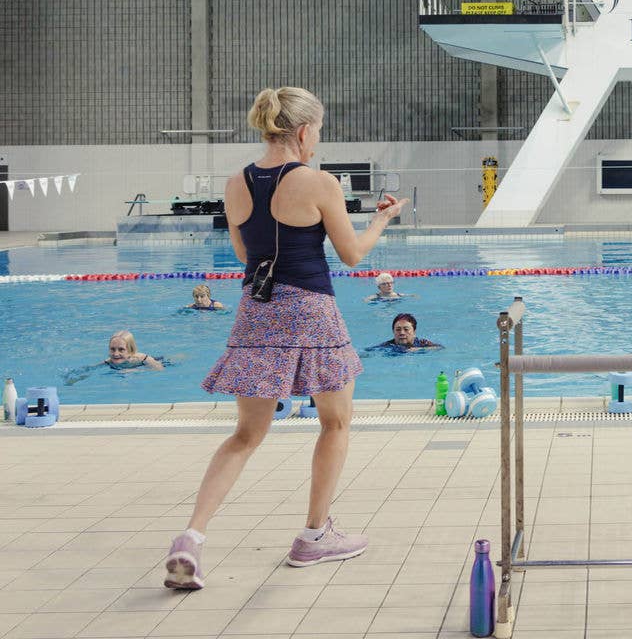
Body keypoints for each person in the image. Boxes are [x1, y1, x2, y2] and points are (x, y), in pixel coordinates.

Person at [163, 86, 407, 591]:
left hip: (257, 310)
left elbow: (241, 252)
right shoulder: (319, 183)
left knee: (246, 434)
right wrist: (381, 219)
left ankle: (191, 536)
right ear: (302, 131)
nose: (317, 140)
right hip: (312, 312)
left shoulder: (235, 184)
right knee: (335, 423)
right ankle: (314, 536)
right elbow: (353, 255)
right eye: (317, 131)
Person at [374, 313, 441, 352]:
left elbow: (440, 348)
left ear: (414, 332)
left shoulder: (422, 343)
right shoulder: (387, 346)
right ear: (393, 331)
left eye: (406, 329)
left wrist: (419, 349)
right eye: (398, 329)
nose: (402, 333)